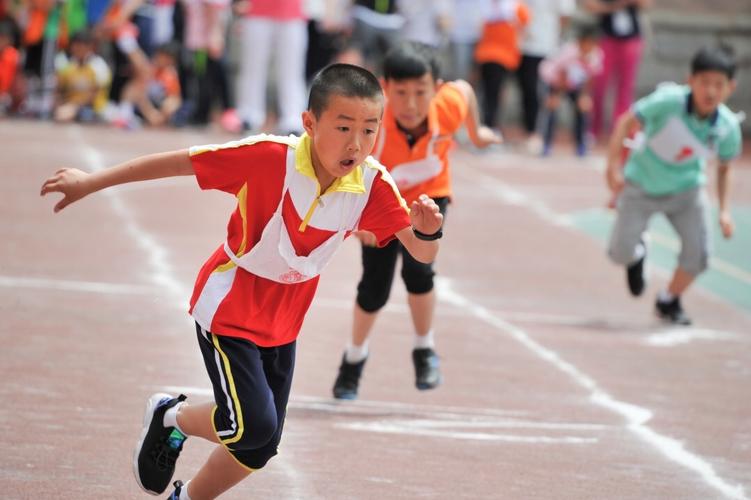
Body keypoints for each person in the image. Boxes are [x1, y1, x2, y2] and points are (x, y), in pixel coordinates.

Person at [40, 63, 444, 500]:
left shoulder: (371, 185)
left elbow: (421, 253)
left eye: (369, 130)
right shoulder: (269, 158)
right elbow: (178, 163)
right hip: (229, 307)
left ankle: (186, 495)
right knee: (250, 426)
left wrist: (428, 231)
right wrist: (91, 182)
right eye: (344, 127)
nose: (357, 144)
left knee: (259, 448)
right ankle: (171, 416)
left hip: (284, 323)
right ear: (309, 123)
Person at [332, 42, 501, 400]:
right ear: (384, 88)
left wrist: (476, 132)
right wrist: (358, 222)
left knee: (419, 271)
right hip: (378, 201)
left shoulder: (450, 104)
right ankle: (353, 358)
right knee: (375, 286)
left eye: (420, 92)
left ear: (436, 89)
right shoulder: (370, 123)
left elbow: (466, 91)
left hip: (429, 198)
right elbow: (344, 169)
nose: (410, 104)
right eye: (401, 93)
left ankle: (424, 348)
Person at [605, 45, 741, 326]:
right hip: (641, 185)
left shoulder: (727, 127)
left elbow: (725, 168)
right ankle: (638, 250)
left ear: (731, 87)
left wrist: (725, 211)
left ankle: (668, 300)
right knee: (619, 253)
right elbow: (625, 122)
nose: (711, 92)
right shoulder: (667, 102)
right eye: (705, 83)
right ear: (690, 81)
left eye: (719, 85)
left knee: (700, 255)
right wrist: (612, 167)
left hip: (687, 191)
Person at [584, 0, 651, 140]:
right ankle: (593, 129)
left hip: (631, 39)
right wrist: (614, 6)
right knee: (598, 84)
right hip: (606, 37)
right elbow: (590, 6)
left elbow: (647, 3)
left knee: (625, 88)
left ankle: (620, 130)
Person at [517, 0, 575, 150]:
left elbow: (565, 15)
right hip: (525, 46)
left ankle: (541, 135)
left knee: (545, 94)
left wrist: (555, 37)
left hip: (548, 47)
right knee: (528, 90)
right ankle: (530, 131)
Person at [538, 24, 602, 157]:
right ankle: (546, 145)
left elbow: (590, 77)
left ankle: (581, 145)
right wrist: (556, 96)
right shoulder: (569, 52)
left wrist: (584, 96)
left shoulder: (596, 55)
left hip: (576, 85)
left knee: (583, 109)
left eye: (592, 44)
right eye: (586, 44)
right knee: (552, 109)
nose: (588, 48)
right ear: (580, 42)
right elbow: (561, 74)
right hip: (555, 81)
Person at [473, 0, 530, 132]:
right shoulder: (515, 7)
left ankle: (488, 126)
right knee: (493, 95)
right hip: (499, 56)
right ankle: (489, 127)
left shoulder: (506, 6)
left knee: (490, 94)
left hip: (492, 56)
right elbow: (525, 27)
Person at [53, 30, 111, 122]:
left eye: (80, 46)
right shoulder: (66, 65)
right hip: (69, 107)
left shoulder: (99, 66)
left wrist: (74, 107)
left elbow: (94, 95)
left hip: (93, 110)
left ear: (89, 47)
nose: (76, 49)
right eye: (74, 46)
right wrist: (59, 105)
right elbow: (59, 90)